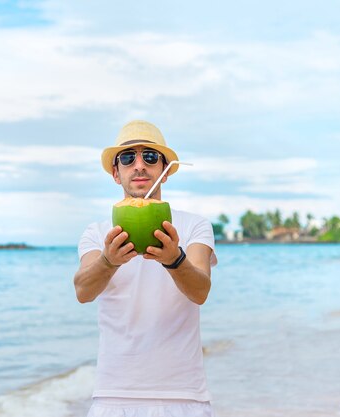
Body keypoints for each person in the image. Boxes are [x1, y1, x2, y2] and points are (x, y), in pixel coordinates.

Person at [74, 120, 218, 417]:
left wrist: (174, 260)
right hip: (113, 396)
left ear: (164, 171)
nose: (139, 165)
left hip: (184, 395)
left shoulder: (194, 226)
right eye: (128, 158)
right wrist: (108, 261)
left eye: (150, 157)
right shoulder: (98, 232)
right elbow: (83, 291)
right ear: (116, 173)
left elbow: (201, 291)